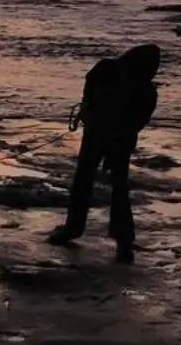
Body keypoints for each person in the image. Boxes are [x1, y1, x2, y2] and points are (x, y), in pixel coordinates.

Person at [50, 43, 160, 263]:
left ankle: (79, 229)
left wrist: (91, 113)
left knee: (89, 182)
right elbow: (136, 121)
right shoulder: (143, 88)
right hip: (107, 135)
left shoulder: (138, 86)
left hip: (108, 135)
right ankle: (120, 240)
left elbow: (134, 121)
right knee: (111, 186)